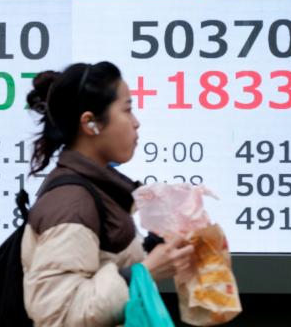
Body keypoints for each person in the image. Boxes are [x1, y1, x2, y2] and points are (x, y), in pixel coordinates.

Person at [21, 61, 194, 326]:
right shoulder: (72, 203)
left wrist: (155, 252)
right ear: (90, 123)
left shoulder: (94, 192)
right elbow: (58, 315)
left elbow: (100, 267)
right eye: (127, 110)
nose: (136, 123)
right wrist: (146, 272)